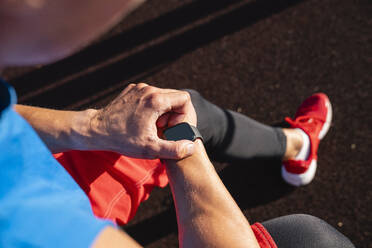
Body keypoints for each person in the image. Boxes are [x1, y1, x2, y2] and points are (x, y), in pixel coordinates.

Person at [0, 0, 355, 247]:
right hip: (55, 201)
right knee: (314, 239)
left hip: (26, 171)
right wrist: (183, 141)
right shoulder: (41, 229)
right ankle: (299, 146)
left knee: (174, 106)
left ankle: (296, 145)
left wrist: (95, 125)